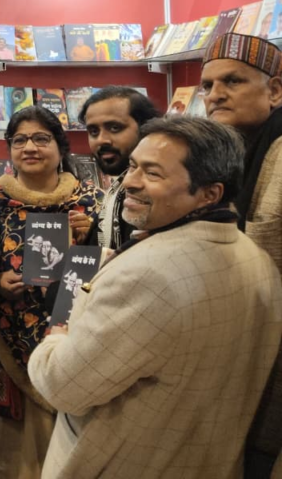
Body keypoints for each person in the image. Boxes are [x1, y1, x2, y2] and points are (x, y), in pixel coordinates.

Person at [28, 116, 282, 479]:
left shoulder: (146, 275)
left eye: (153, 173)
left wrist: (59, 333)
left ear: (210, 194)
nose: (130, 181)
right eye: (133, 166)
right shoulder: (257, 259)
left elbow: (61, 385)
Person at [0, 106, 103, 479]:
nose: (30, 147)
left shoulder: (92, 202)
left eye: (41, 139)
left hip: (75, 344)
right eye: (20, 140)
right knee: (12, 451)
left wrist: (90, 238)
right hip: (7, 339)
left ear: (60, 147)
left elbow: (117, 266)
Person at [199, 33, 282, 477]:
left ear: (275, 91)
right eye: (207, 86)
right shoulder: (237, 154)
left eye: (232, 81)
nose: (215, 95)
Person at [79, 86, 160, 248]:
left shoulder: (160, 192)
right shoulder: (117, 190)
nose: (102, 140)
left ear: (146, 128)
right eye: (93, 131)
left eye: (115, 128)